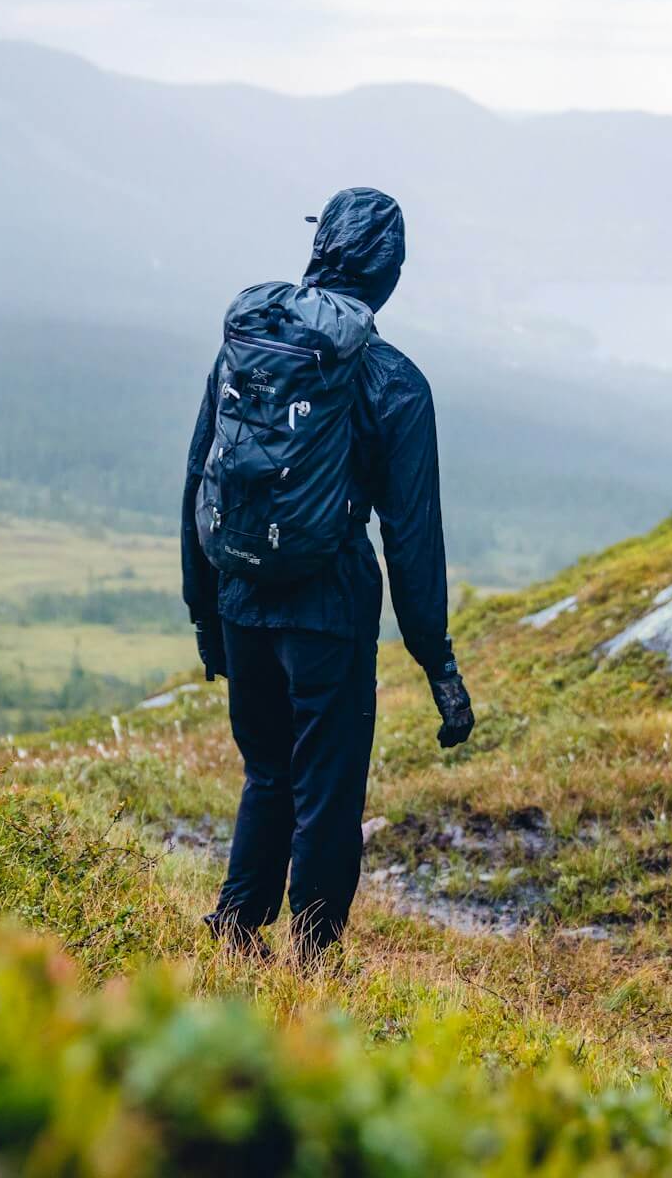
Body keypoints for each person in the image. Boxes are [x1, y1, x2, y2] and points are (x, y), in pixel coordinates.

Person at [181, 186, 474, 961]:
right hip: (329, 615)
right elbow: (412, 541)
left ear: (318, 252)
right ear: (390, 275)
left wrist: (204, 613)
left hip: (242, 596)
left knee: (267, 771)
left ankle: (237, 928)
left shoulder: (247, 350)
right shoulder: (396, 383)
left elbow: (199, 483)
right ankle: (312, 963)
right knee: (327, 791)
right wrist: (438, 666)